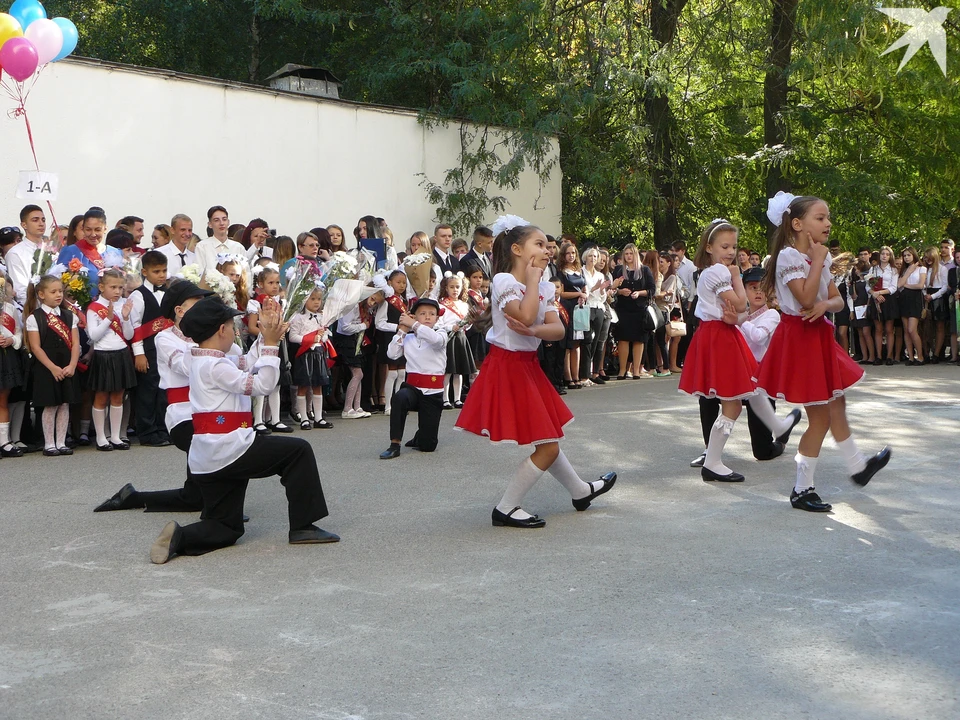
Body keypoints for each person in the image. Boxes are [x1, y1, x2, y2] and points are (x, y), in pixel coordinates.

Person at [149, 297, 338, 564]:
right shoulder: (215, 365)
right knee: (298, 451)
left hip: (208, 457)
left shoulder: (200, 358)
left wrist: (268, 338)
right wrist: (271, 344)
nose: (236, 329)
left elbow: (248, 363)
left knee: (227, 527)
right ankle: (303, 526)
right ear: (222, 331)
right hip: (231, 447)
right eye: (232, 325)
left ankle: (181, 537)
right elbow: (264, 384)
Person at [454, 218, 616, 529]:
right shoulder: (504, 281)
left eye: (547, 245)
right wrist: (531, 290)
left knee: (548, 437)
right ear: (516, 249)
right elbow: (526, 314)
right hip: (507, 366)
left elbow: (557, 329)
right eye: (539, 245)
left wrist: (536, 327)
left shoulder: (542, 285)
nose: (547, 250)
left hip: (528, 366)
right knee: (548, 443)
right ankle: (506, 507)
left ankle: (580, 491)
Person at [756, 193, 891, 512]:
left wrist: (825, 303)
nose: (828, 222)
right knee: (819, 418)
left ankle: (858, 467)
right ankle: (802, 489)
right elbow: (803, 298)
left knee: (837, 405)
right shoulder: (790, 257)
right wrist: (817, 264)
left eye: (828, 216)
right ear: (798, 224)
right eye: (820, 217)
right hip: (800, 340)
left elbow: (836, 300)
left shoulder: (820, 257)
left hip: (818, 338)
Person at [678, 218, 801, 483]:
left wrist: (737, 311)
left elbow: (738, 312)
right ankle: (712, 461)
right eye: (725, 246)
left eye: (733, 246)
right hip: (719, 337)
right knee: (732, 403)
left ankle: (776, 426)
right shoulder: (720, 273)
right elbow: (741, 304)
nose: (731, 252)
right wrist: (736, 276)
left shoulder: (708, 272)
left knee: (750, 385)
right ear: (709, 247)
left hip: (718, 334)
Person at [94, 280, 226, 515]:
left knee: (193, 496)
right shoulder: (165, 338)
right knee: (214, 450)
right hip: (184, 414)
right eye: (198, 303)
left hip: (210, 409)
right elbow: (187, 367)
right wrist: (209, 346)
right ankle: (223, 508)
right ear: (180, 310)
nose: (204, 307)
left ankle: (133, 497)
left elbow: (238, 362)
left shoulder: (211, 335)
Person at [690, 266, 799, 467]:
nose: (758, 292)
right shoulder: (734, 312)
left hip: (758, 380)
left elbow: (758, 337)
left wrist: (739, 321)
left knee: (762, 453)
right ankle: (710, 451)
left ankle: (781, 438)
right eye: (752, 287)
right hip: (736, 375)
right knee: (708, 397)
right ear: (743, 290)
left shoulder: (772, 315)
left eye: (762, 287)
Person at [379, 298, 448, 459]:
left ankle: (421, 435)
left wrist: (413, 324)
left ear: (437, 318)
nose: (428, 317)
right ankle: (394, 444)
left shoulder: (441, 333)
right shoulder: (409, 337)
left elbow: (436, 341)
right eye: (422, 314)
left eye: (432, 314)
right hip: (412, 389)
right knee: (399, 398)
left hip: (432, 392)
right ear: (415, 316)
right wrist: (402, 330)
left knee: (428, 446)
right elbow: (392, 354)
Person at [24, 274, 81, 456]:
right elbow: (35, 346)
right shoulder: (36, 318)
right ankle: (49, 443)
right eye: (53, 291)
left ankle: (61, 441)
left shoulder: (69, 316)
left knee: (64, 403)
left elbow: (75, 343)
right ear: (41, 294)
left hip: (66, 364)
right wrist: (53, 368)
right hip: (47, 366)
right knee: (50, 404)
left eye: (60, 291)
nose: (58, 295)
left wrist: (72, 365)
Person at [85, 268, 137, 450]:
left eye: (120, 288)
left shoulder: (124, 305)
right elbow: (93, 336)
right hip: (103, 354)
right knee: (101, 397)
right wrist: (108, 319)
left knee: (118, 396)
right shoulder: (94, 308)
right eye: (113, 287)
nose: (117, 291)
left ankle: (115, 436)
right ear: (101, 287)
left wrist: (125, 318)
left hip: (121, 353)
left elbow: (129, 336)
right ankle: (101, 437)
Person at [130, 250, 172, 447]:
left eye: (164, 271)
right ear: (145, 272)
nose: (162, 275)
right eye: (157, 271)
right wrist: (139, 354)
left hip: (165, 348)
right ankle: (147, 432)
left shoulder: (168, 292)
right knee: (147, 391)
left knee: (163, 389)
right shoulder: (138, 295)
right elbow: (135, 325)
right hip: (147, 349)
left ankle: (163, 429)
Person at [288, 286, 334, 430]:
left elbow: (325, 335)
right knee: (303, 386)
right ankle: (304, 418)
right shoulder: (298, 318)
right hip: (304, 354)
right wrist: (309, 339)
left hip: (318, 354)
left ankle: (318, 417)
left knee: (318, 385)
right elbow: (292, 336)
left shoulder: (322, 317)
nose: (316, 302)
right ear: (305, 300)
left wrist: (323, 336)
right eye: (312, 299)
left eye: (319, 299)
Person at [333, 292, 381, 419]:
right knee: (358, 373)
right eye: (372, 299)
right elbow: (344, 327)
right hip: (345, 341)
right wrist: (362, 326)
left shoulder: (363, 309)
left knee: (358, 374)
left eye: (375, 302)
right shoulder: (352, 307)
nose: (372, 303)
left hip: (354, 340)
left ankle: (357, 406)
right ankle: (347, 408)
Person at [611, 243, 654, 379]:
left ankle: (636, 370)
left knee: (638, 340)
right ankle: (622, 370)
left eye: (631, 254)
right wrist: (620, 291)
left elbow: (652, 289)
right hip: (623, 308)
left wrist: (639, 293)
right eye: (626, 254)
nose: (628, 256)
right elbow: (612, 290)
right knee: (623, 339)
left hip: (639, 308)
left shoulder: (644, 270)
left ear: (635, 255)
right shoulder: (619, 270)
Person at [373, 270, 409, 415]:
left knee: (402, 372)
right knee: (392, 373)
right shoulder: (387, 301)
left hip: (403, 338)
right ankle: (388, 405)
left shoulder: (404, 302)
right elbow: (379, 323)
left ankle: (399, 403)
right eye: (398, 282)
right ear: (389, 283)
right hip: (390, 339)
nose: (401, 286)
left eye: (404, 283)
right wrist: (396, 327)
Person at [438, 272, 475, 409]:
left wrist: (467, 323)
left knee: (458, 370)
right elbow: (438, 323)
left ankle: (458, 398)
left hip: (460, 338)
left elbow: (468, 323)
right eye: (452, 287)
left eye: (458, 287)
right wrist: (450, 327)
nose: (455, 290)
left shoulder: (464, 305)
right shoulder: (442, 305)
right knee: (448, 370)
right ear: (446, 288)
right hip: (448, 338)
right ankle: (445, 399)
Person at [0, 269, 26, 457]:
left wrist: (11, 341)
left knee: (3, 400)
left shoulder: (9, 309)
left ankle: (5, 442)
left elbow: (18, 332)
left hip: (5, 357)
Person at [558, 241, 588, 387]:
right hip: (568, 306)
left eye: (573, 253)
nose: (571, 256)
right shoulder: (561, 271)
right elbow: (562, 292)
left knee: (577, 342)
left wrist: (584, 295)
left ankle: (576, 376)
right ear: (563, 255)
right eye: (568, 253)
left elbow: (585, 287)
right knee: (568, 343)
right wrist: (579, 294)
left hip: (580, 307)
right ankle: (568, 376)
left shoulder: (579, 270)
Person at [7, 206, 48, 306]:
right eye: (35, 220)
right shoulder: (15, 253)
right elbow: (21, 291)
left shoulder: (52, 250)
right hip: (34, 309)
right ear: (24, 225)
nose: (41, 223)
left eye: (43, 220)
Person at [868, 245, 899, 366]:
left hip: (888, 298)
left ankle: (889, 356)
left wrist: (880, 292)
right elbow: (868, 286)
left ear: (890, 256)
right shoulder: (873, 269)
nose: (884, 256)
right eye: (882, 254)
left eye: (887, 254)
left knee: (889, 329)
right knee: (878, 329)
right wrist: (874, 294)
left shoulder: (893, 270)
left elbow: (893, 287)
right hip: (876, 298)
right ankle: (879, 356)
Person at [897, 247, 925, 365]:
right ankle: (911, 357)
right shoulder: (904, 270)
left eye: (909, 255)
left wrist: (906, 284)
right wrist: (908, 273)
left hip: (915, 299)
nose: (906, 257)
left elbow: (920, 286)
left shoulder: (921, 268)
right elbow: (898, 285)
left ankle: (921, 356)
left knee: (912, 329)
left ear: (914, 255)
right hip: (904, 299)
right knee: (906, 330)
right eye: (905, 256)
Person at [195, 206, 245, 273]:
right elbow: (200, 272)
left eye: (224, 219)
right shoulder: (202, 246)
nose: (221, 223)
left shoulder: (238, 247)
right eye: (216, 220)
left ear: (228, 222)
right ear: (210, 224)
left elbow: (245, 274)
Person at [922, 246, 950, 363]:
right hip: (926, 297)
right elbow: (922, 284)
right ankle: (926, 352)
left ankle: (937, 354)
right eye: (926, 258)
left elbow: (945, 286)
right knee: (926, 327)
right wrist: (925, 294)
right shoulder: (924, 269)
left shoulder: (942, 269)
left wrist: (933, 296)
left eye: (930, 257)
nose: (928, 260)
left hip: (938, 298)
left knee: (939, 326)